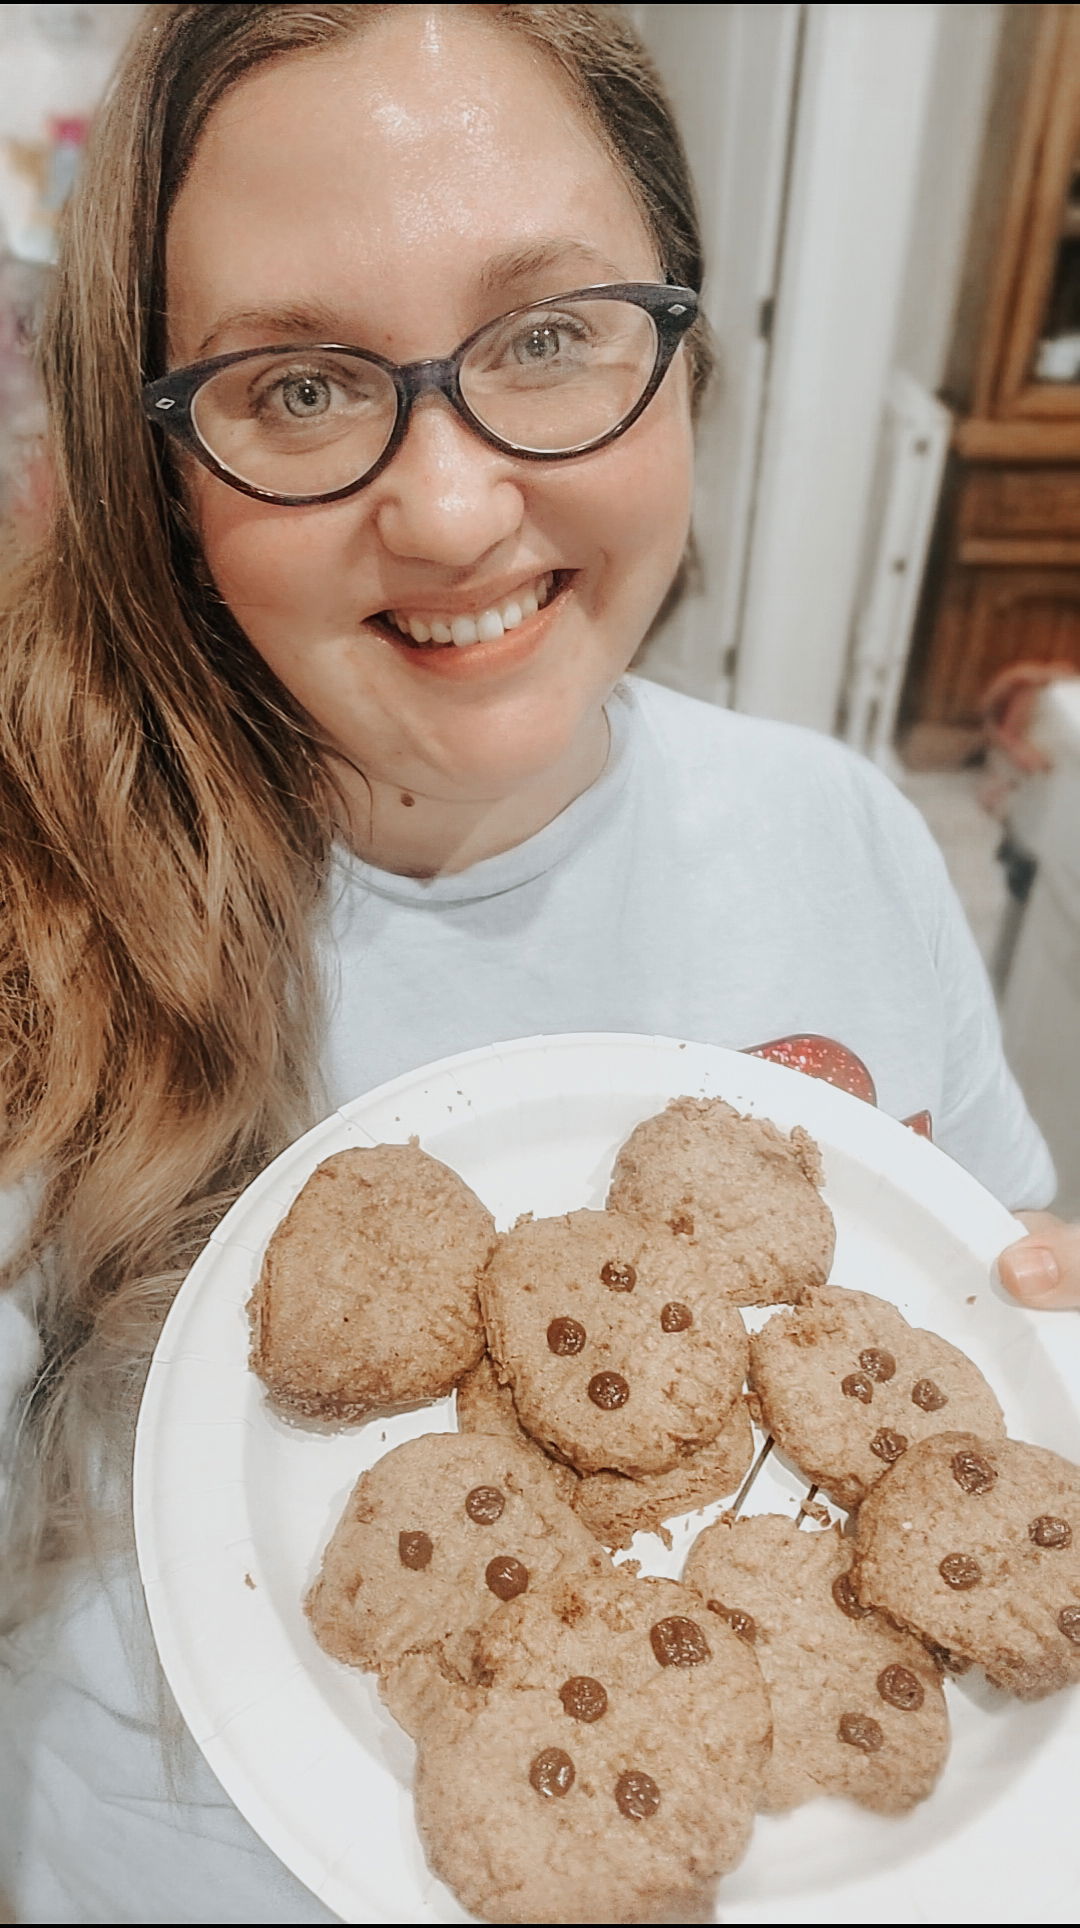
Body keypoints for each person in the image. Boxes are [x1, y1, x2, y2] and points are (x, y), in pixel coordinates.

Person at [0, 4, 1076, 1922]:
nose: (449, 506)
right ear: (161, 456)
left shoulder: (847, 838)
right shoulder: (42, 941)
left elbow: (994, 1317)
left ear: (686, 353)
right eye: (300, 387)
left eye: (550, 334)